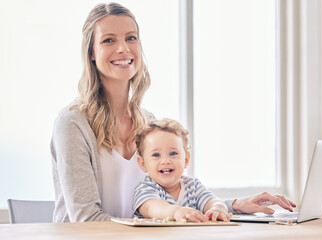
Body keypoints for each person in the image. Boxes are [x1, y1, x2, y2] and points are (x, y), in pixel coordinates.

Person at [51, 2, 295, 223]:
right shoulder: (73, 123)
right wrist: (157, 224)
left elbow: (174, 197)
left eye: (131, 38)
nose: (123, 48)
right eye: (108, 40)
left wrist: (234, 206)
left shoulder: (148, 122)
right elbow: (86, 220)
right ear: (91, 53)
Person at [133, 119, 230, 222]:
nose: (165, 161)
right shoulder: (145, 188)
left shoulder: (193, 186)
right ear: (143, 163)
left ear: (186, 160)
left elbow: (212, 201)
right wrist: (176, 212)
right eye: (156, 155)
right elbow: (151, 208)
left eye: (173, 153)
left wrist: (217, 209)